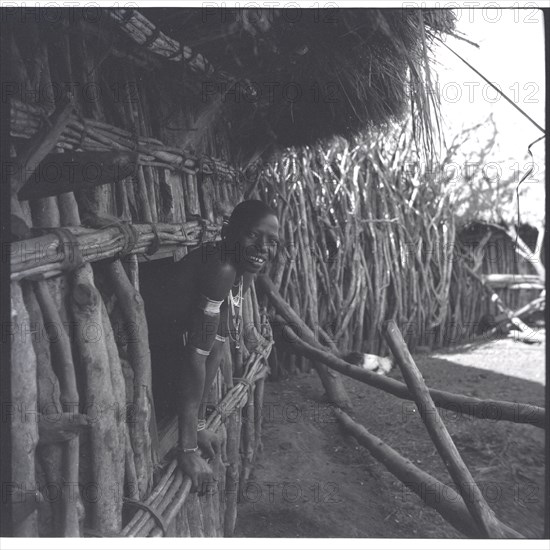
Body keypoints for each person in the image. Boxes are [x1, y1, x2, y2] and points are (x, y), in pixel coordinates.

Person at [139, 200, 279, 493]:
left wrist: (201, 424)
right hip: (135, 330)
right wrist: (188, 449)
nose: (263, 248)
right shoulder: (222, 269)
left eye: (271, 242)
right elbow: (195, 356)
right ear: (229, 232)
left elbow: (217, 345)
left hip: (167, 336)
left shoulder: (245, 268)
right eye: (253, 235)